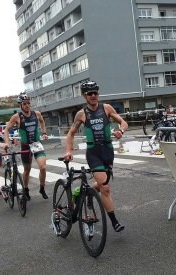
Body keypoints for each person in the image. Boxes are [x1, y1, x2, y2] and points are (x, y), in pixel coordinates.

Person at [64, 80, 128, 232]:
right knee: (105, 188)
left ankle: (82, 193)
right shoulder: (81, 114)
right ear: (84, 96)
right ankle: (114, 222)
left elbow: (123, 122)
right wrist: (68, 151)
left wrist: (121, 131)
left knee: (101, 184)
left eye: (95, 93)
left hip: (108, 151)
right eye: (89, 94)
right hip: (93, 153)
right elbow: (71, 133)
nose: (93, 96)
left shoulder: (106, 108)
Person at [3, 92, 49, 200]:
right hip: (25, 146)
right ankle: (26, 189)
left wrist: (44, 133)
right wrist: (7, 142)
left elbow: (42, 122)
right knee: (27, 170)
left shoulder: (36, 114)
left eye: (28, 103)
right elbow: (6, 129)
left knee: (43, 167)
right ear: (20, 105)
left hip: (37, 144)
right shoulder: (16, 117)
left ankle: (42, 188)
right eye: (24, 104)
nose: (27, 105)